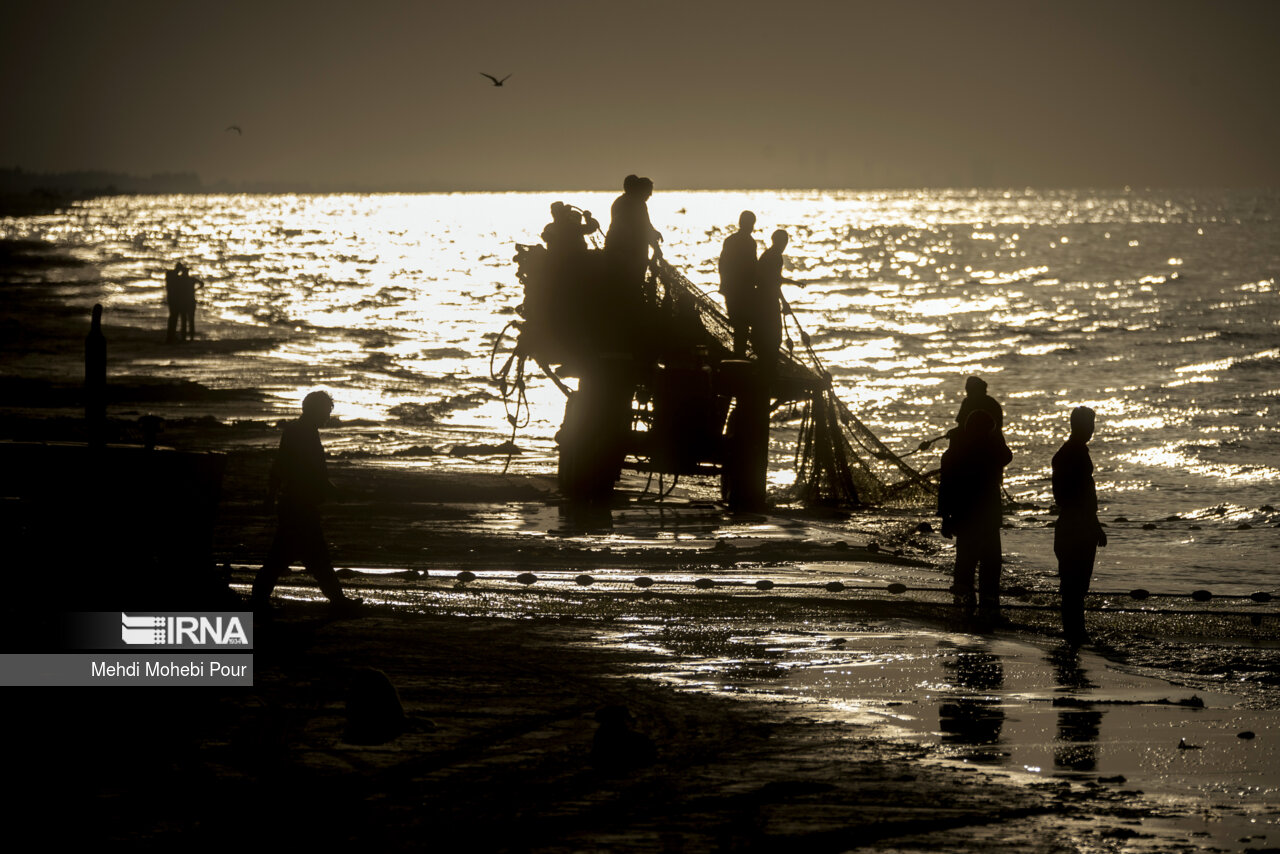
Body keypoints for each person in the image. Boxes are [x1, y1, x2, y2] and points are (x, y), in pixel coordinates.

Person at [252, 391, 363, 616]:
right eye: (326, 411)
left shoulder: (302, 431)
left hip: (299, 504)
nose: (328, 416)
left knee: (294, 558)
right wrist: (270, 497)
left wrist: (332, 491)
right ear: (315, 410)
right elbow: (283, 467)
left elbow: (310, 473)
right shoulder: (300, 432)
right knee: (303, 558)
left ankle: (259, 602)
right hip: (298, 506)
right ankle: (338, 602)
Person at [938, 409, 1012, 621]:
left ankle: (965, 608)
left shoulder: (956, 452)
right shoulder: (988, 452)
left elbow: (945, 488)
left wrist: (945, 518)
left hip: (968, 516)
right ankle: (982, 608)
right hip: (979, 517)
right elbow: (1006, 455)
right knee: (985, 563)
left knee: (970, 562)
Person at [1052, 406, 1107, 643]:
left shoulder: (1069, 452)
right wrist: (1094, 525)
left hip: (1072, 523)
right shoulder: (1073, 454)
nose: (1092, 430)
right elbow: (1078, 497)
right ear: (1080, 426)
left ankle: (1074, 631)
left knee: (1074, 583)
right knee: (1075, 583)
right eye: (1089, 425)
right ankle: (1074, 633)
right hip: (1076, 525)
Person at [604, 174, 662, 293]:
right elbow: (642, 227)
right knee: (631, 284)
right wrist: (656, 247)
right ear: (638, 190)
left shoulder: (621, 202)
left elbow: (645, 225)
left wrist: (654, 233)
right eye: (648, 192)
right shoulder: (636, 204)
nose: (650, 195)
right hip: (628, 252)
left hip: (617, 248)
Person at [750, 229, 792, 375]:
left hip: (760, 299)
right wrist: (784, 302)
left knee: (765, 335)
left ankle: (765, 366)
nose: (785, 244)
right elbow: (773, 282)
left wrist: (793, 282)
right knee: (774, 336)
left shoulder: (768, 255)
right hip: (768, 301)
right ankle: (768, 370)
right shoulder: (776, 257)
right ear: (779, 241)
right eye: (784, 241)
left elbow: (773, 279)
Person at [718, 211, 757, 356]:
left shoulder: (730, 240)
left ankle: (739, 355)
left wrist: (724, 285)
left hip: (731, 291)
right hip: (742, 292)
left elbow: (722, 265)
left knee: (739, 326)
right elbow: (752, 267)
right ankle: (740, 357)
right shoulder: (749, 243)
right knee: (743, 327)